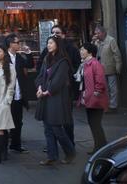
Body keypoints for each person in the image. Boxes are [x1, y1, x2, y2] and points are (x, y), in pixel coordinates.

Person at [35, 36, 76, 166]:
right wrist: (40, 87)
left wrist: (48, 91)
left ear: (58, 44)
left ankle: (70, 152)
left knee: (57, 128)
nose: (49, 45)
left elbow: (59, 80)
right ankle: (52, 156)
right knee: (47, 128)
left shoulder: (63, 61)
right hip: (45, 97)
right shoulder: (47, 58)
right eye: (48, 43)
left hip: (56, 98)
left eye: (51, 43)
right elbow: (41, 75)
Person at [38, 25, 80, 144]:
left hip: (66, 89)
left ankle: (69, 143)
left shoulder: (71, 49)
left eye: (58, 33)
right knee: (50, 120)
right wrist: (42, 83)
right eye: (53, 33)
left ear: (63, 35)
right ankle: (52, 146)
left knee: (66, 119)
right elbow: (40, 66)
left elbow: (77, 66)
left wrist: (68, 77)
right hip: (49, 90)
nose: (55, 35)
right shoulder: (48, 50)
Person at [5, 34, 34, 153]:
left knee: (18, 121)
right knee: (4, 121)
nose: (19, 44)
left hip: (17, 94)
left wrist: (28, 53)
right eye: (17, 42)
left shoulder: (19, 57)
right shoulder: (3, 56)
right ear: (11, 44)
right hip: (6, 95)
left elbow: (30, 65)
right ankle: (2, 145)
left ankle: (16, 144)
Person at [78, 42, 108, 153]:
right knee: (93, 123)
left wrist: (97, 92)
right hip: (89, 98)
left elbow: (100, 80)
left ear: (89, 52)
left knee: (95, 123)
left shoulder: (95, 63)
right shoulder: (85, 64)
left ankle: (101, 147)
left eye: (82, 49)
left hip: (96, 99)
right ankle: (100, 145)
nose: (80, 51)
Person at [92, 25, 122, 112]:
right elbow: (93, 52)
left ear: (103, 33)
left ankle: (113, 106)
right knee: (104, 88)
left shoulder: (111, 40)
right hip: (100, 69)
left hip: (110, 67)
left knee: (112, 88)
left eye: (98, 33)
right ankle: (106, 104)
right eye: (95, 33)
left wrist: (118, 67)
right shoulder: (97, 42)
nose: (97, 35)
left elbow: (117, 54)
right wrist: (93, 42)